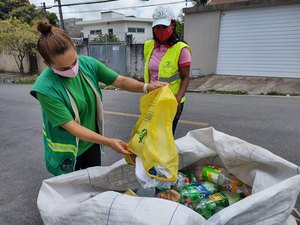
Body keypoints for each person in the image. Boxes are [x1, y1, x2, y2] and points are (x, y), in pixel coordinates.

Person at [30, 20, 166, 176]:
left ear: (75, 47)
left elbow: (120, 81)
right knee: (73, 193)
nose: (72, 69)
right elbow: (72, 127)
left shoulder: (88, 65)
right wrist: (108, 142)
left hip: (91, 144)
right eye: (63, 67)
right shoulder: (45, 88)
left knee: (93, 183)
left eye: (74, 61)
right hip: (66, 152)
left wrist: (146, 87)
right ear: (47, 63)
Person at [144, 6, 192, 134]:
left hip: (172, 101)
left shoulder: (181, 49)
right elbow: (151, 72)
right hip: (152, 99)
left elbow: (185, 77)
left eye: (164, 27)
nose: (160, 30)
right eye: (157, 27)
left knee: (165, 137)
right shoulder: (149, 46)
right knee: (151, 135)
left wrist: (177, 100)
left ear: (173, 25)